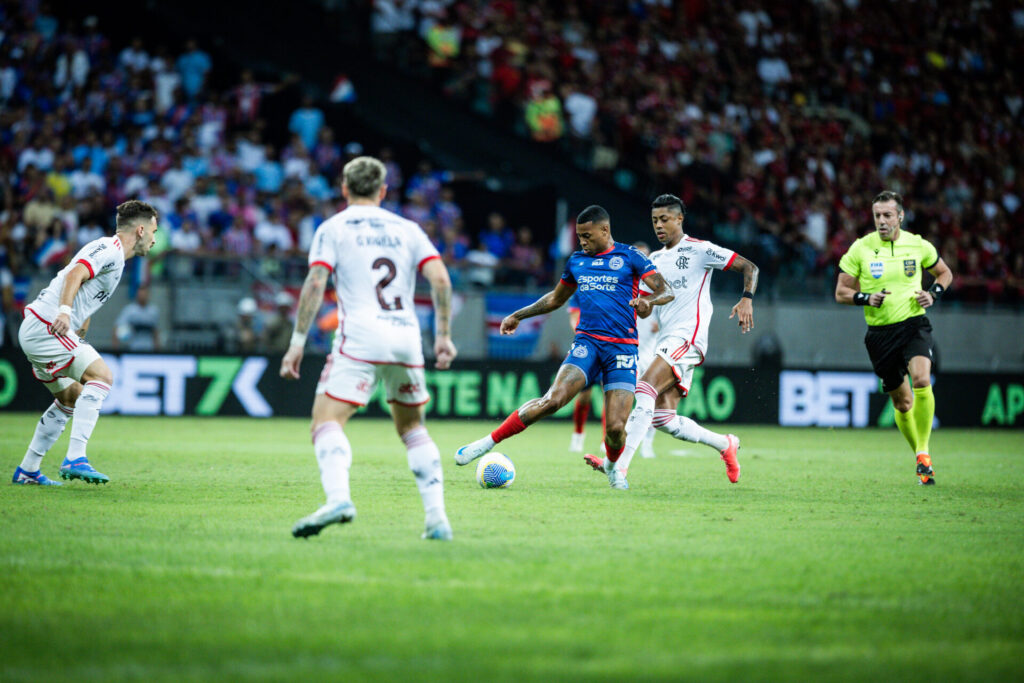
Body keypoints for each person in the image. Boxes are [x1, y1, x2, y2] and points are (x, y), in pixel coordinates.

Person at [280, 155, 457, 540]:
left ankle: (339, 498)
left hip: (359, 337)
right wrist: (442, 335)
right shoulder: (408, 229)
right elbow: (441, 280)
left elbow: (315, 282)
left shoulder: (333, 227)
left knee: (326, 422)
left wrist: (296, 343)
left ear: (343, 188)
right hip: (406, 337)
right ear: (383, 190)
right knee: (412, 428)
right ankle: (437, 519)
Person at [454, 205, 673, 489]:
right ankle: (486, 443)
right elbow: (556, 299)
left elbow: (665, 290)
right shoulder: (577, 261)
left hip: (622, 350)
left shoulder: (630, 256)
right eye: (579, 236)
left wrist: (648, 302)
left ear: (604, 230)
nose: (582, 241)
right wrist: (518, 315)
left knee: (616, 430)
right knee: (552, 400)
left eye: (587, 235)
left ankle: (612, 466)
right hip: (587, 344)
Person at [584, 195, 759, 487]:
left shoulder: (700, 250)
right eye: (654, 220)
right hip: (668, 339)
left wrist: (746, 299)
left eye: (664, 219)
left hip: (688, 337)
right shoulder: (654, 260)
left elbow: (749, 267)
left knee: (645, 387)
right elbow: (647, 298)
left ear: (680, 219)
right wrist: (644, 303)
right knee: (663, 418)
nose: (658, 226)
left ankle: (617, 467)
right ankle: (725, 443)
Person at [12, 200, 159, 486]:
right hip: (47, 326)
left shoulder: (117, 259)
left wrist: (80, 323)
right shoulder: (108, 249)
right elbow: (75, 273)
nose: (155, 238)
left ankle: (28, 469)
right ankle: (76, 457)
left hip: (41, 329)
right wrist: (65, 313)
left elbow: (85, 293)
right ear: (140, 230)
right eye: (154, 230)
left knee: (71, 398)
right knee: (102, 376)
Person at [835, 190, 953, 485]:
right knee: (902, 404)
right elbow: (841, 292)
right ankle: (921, 459)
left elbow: (944, 274)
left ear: (900, 216)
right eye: (877, 216)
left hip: (914, 324)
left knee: (922, 379)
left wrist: (933, 294)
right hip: (880, 334)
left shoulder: (918, 244)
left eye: (888, 215)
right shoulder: (861, 248)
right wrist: (865, 297)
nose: (882, 221)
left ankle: (924, 450)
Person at [112, 284, 160, 351]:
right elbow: (117, 328)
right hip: (133, 349)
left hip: (149, 350)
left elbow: (155, 332)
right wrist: (115, 349)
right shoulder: (130, 310)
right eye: (140, 293)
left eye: (144, 293)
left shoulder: (153, 311)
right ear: (137, 294)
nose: (142, 296)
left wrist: (157, 349)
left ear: (148, 294)